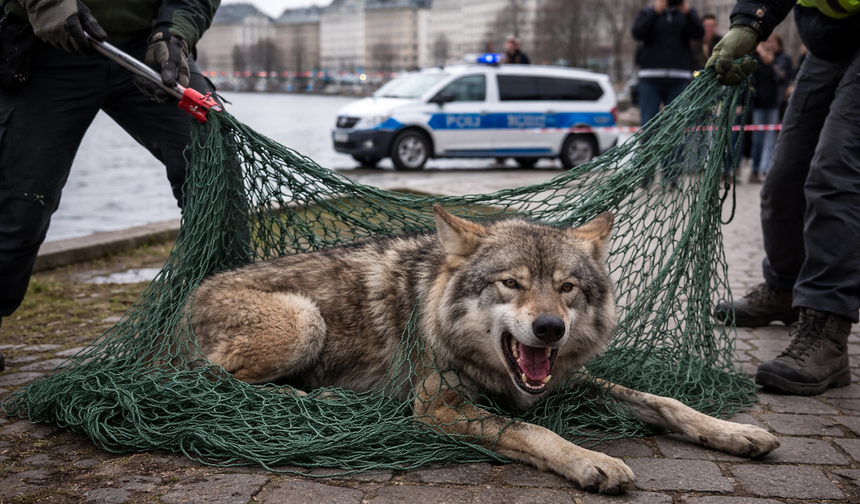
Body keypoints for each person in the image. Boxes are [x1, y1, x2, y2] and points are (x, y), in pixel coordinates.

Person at [0, 0, 221, 372]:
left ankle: (226, 322)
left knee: (215, 169)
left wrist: (175, 32)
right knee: (19, 203)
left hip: (147, 45)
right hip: (47, 43)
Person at [710, 0, 860, 395]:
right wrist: (750, 22)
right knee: (783, 179)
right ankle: (785, 287)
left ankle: (826, 329)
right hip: (827, 44)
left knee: (836, 177)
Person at [632, 0, 704, 187]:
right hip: (650, 78)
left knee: (675, 128)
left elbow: (699, 34)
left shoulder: (687, 14)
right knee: (648, 127)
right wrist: (655, 12)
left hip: (678, 79)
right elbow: (637, 33)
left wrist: (687, 13)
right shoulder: (647, 12)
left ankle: (671, 175)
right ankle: (646, 174)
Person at [748, 35, 784, 183]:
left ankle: (767, 170)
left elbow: (781, 79)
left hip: (773, 105)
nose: (769, 44)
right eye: (766, 41)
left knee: (771, 140)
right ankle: (755, 170)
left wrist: (770, 63)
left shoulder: (781, 59)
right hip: (758, 105)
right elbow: (751, 80)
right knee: (757, 139)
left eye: (772, 41)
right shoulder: (754, 60)